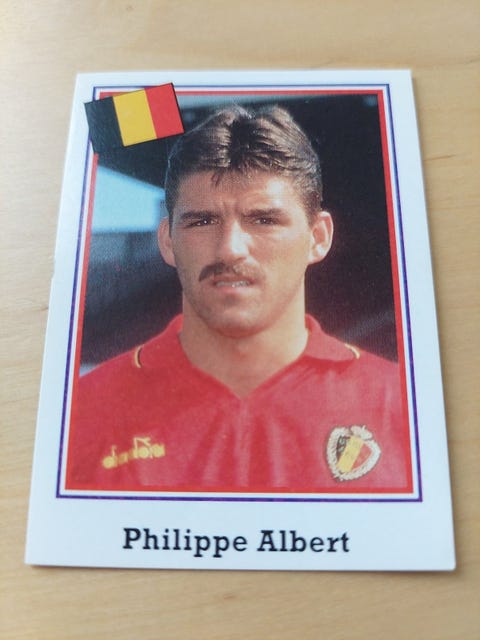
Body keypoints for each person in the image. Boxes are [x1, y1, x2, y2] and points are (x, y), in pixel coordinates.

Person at [66, 105, 411, 492]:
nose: (230, 249)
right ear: (167, 241)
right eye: (202, 221)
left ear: (318, 238)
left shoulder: (403, 407)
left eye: (264, 220)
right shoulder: (81, 414)